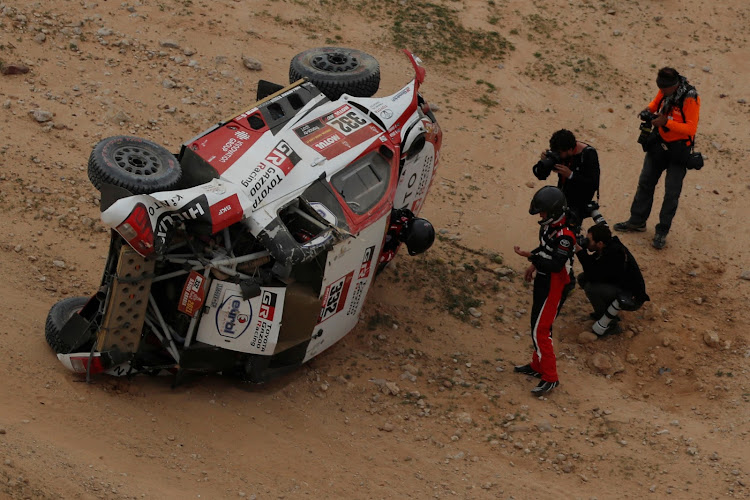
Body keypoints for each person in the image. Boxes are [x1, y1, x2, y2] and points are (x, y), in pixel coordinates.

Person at [613, 67, 701, 249]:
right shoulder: (665, 91)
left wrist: (666, 122)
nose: (661, 91)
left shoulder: (690, 98)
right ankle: (637, 221)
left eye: (664, 88)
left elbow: (691, 129)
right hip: (658, 144)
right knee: (645, 182)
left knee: (671, 193)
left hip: (678, 151)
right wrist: (648, 110)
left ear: (674, 85)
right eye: (659, 87)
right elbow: (655, 104)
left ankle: (662, 231)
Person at [513, 186, 576, 395]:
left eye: (544, 212)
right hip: (545, 281)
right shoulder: (550, 228)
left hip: (556, 284)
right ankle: (537, 366)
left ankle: (550, 377)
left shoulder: (566, 236)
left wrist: (531, 258)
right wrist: (534, 264)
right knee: (537, 325)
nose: (541, 216)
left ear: (554, 212)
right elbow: (545, 250)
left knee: (541, 329)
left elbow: (556, 265)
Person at [575, 224, 650, 337]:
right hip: (620, 286)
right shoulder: (607, 247)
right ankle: (607, 311)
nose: (586, 243)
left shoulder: (614, 254)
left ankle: (610, 325)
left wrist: (580, 252)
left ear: (599, 243)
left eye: (589, 241)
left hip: (631, 298)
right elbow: (593, 267)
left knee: (592, 288)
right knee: (582, 278)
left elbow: (593, 275)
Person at [532, 129, 600, 230]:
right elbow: (541, 176)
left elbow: (593, 184)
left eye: (559, 152)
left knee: (569, 231)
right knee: (550, 228)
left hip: (579, 201)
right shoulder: (561, 153)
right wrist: (544, 162)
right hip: (560, 198)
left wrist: (571, 175)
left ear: (570, 150)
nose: (558, 155)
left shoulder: (588, 155)